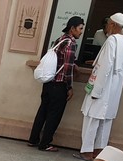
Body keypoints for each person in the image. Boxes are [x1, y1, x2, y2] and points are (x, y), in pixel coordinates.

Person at [76, 13, 123, 161]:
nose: (106, 26)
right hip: (114, 90)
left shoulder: (111, 40)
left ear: (112, 24)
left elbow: (105, 67)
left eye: (108, 24)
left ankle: (86, 152)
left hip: (102, 88)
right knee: (105, 122)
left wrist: (96, 91)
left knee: (91, 119)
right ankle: (98, 152)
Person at [27, 16, 84, 152]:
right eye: (80, 28)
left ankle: (33, 139)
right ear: (72, 28)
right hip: (59, 85)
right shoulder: (71, 43)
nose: (81, 32)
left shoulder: (60, 40)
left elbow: (60, 60)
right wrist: (69, 87)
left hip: (48, 82)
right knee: (54, 115)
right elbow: (67, 68)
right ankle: (45, 143)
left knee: (43, 111)